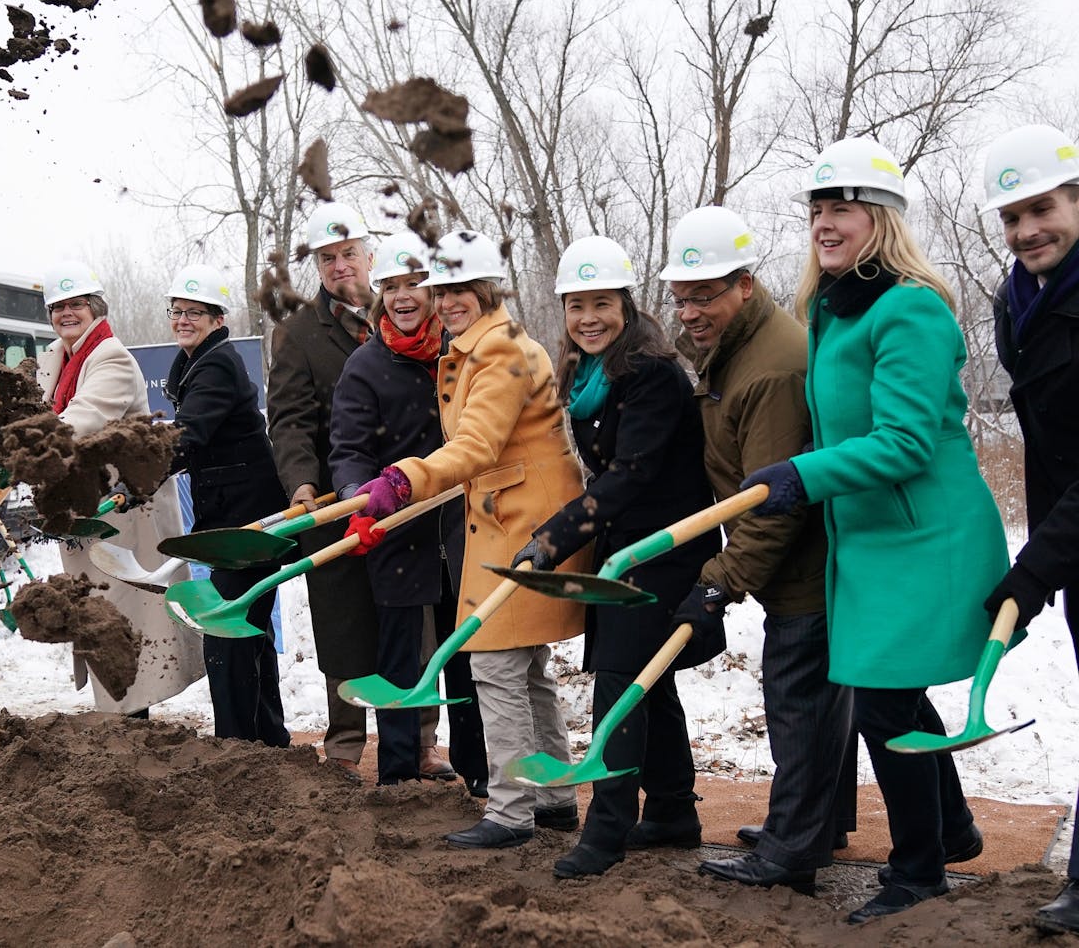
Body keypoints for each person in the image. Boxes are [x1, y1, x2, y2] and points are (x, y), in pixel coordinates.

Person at [742, 137, 1004, 923]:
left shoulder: (912, 308)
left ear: (880, 218)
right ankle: (951, 829)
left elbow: (906, 441)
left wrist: (801, 475)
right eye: (819, 208)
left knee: (885, 701)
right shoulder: (827, 306)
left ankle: (919, 868)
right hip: (870, 534)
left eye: (843, 207)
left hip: (928, 534)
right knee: (890, 695)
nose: (826, 222)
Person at [354, 230, 589, 847]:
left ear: (487, 289)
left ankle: (512, 812)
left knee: (494, 664)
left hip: (523, 523)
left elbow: (478, 446)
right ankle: (556, 797)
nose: (449, 300)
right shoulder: (477, 347)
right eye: (443, 290)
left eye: (461, 289)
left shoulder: (501, 353)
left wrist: (404, 478)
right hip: (509, 513)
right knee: (528, 667)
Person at [653, 207, 860, 893]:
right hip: (799, 566)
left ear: (745, 284)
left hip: (803, 566)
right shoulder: (740, 350)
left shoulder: (770, 367)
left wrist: (719, 582)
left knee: (797, 700)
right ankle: (818, 823)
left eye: (704, 294)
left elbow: (775, 504)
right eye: (681, 297)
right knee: (828, 702)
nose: (690, 311)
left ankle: (791, 850)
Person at [507, 235, 719, 875]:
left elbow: (631, 474)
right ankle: (675, 811)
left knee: (621, 686)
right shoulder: (587, 376)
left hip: (666, 548)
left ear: (626, 305)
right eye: (576, 305)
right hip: (623, 548)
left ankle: (606, 830)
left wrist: (552, 540)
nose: (588, 318)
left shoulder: (651, 373)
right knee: (648, 683)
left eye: (602, 303)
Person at [268, 203, 452, 782]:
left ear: (369, 256)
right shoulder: (298, 334)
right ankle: (345, 744)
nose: (339, 265)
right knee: (345, 626)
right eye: (327, 258)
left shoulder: (419, 317)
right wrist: (303, 484)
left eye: (349, 253)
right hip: (339, 499)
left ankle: (422, 740)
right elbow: (290, 419)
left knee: (415, 624)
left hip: (413, 500)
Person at [329, 232, 488, 790]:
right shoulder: (365, 366)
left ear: (435, 289)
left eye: (415, 283)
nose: (403, 295)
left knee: (468, 651)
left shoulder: (461, 351)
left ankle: (480, 772)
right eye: (391, 286)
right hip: (397, 529)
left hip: (465, 528)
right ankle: (397, 777)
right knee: (400, 659)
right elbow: (348, 448)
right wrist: (359, 493)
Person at [980, 124, 1079, 934]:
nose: (1026, 231)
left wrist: (1037, 563)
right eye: (1013, 217)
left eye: (1042, 208)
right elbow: (1050, 445)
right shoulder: (1017, 301)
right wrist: (1046, 560)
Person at [36, 260, 205, 714]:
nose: (67, 313)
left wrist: (25, 449)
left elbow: (82, 420)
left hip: (123, 512)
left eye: (77, 305)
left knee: (125, 618)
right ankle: (120, 715)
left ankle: (133, 722)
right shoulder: (56, 358)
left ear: (95, 308)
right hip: (85, 509)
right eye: (59, 306)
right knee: (96, 613)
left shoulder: (110, 357)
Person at [162, 263, 289, 746]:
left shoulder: (215, 364)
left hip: (247, 519)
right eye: (177, 312)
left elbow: (189, 435)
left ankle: (237, 745)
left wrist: (141, 465)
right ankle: (266, 739)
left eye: (195, 312)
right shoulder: (198, 360)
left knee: (229, 629)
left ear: (217, 318)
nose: (183, 320)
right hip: (235, 512)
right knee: (249, 624)